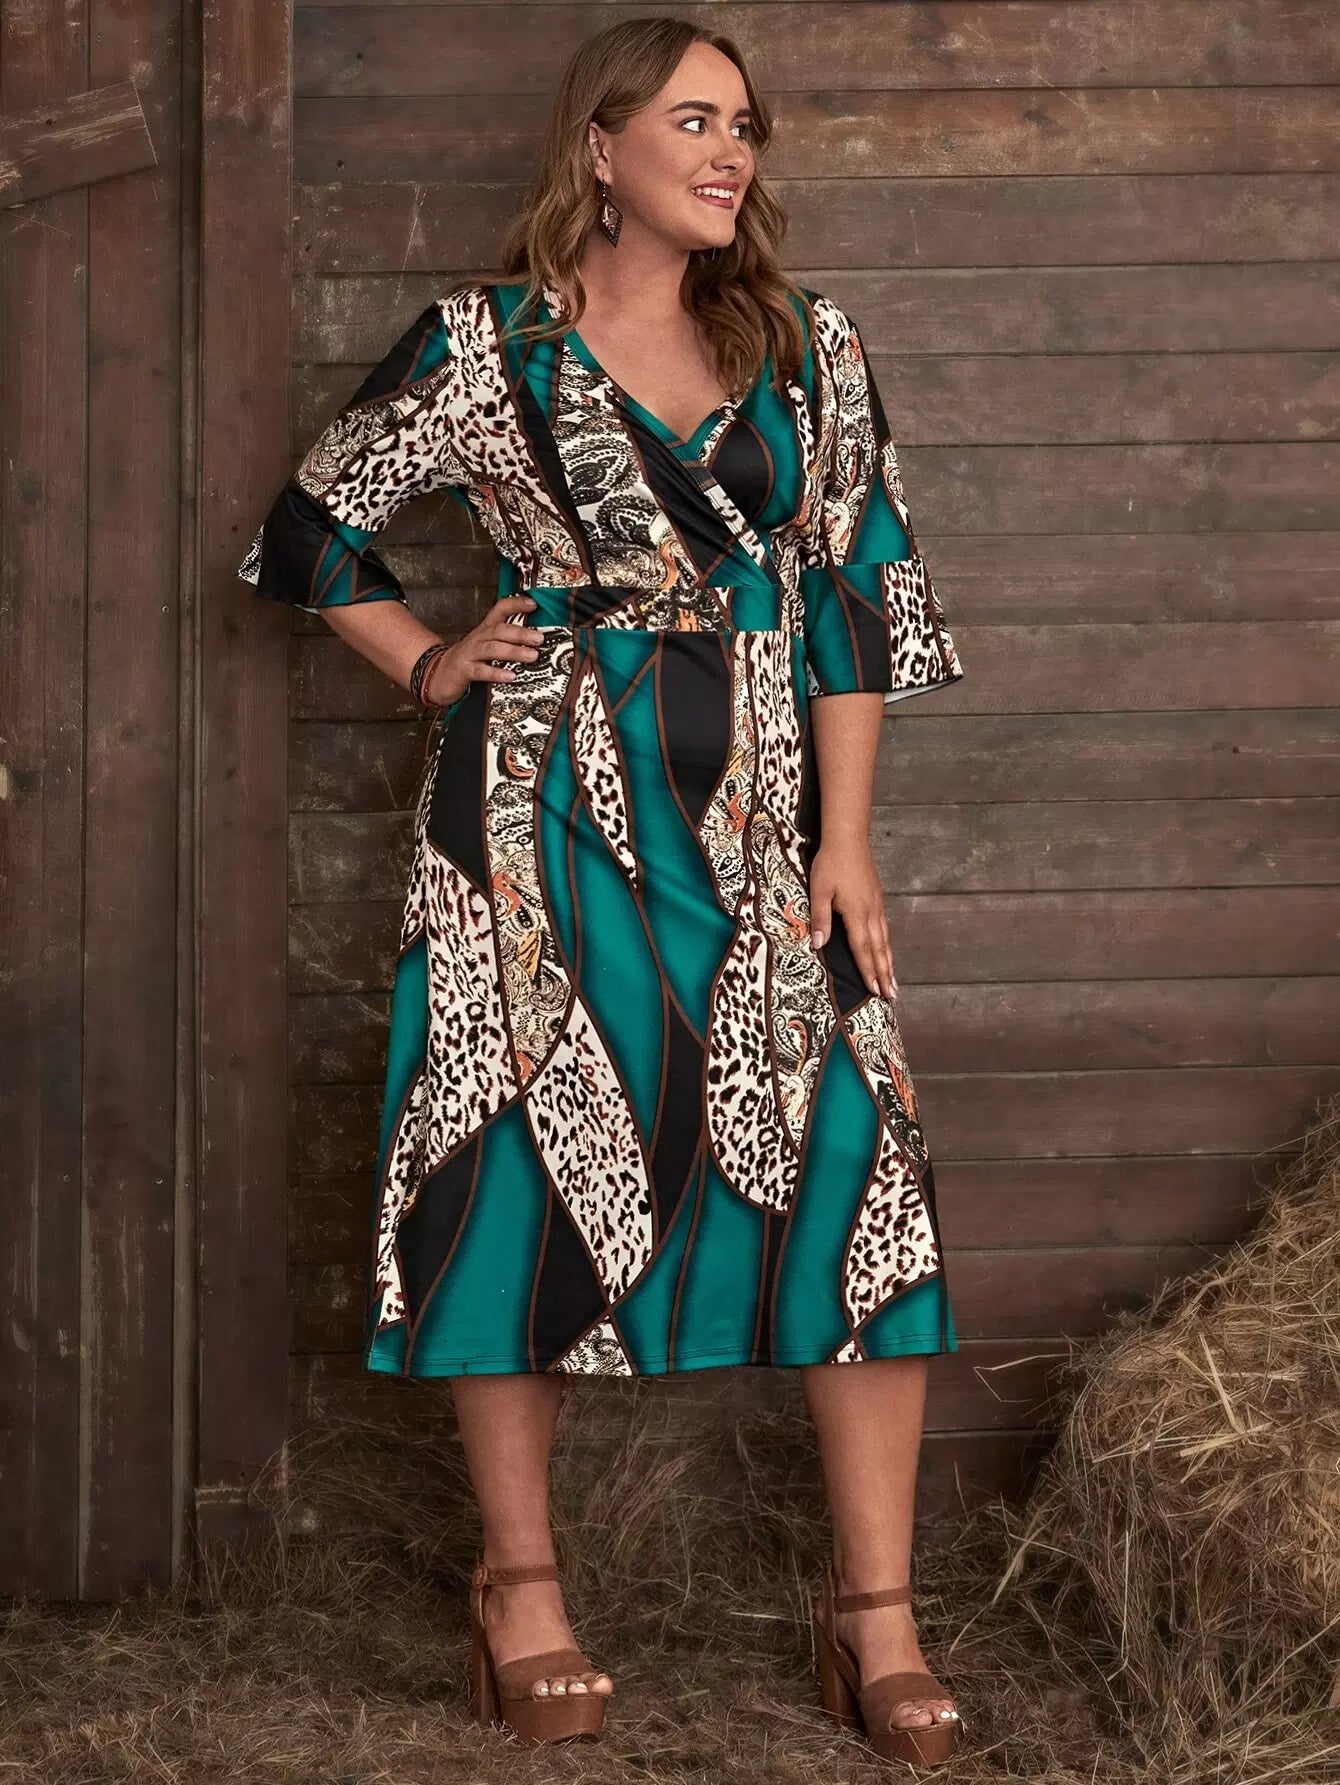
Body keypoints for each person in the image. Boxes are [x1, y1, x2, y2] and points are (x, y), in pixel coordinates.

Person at [239, 14, 966, 1765]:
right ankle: (523, 1590)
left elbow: (857, 589)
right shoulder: (485, 346)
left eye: (746, 126)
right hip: (540, 810)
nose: (732, 151)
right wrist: (430, 662)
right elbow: (309, 529)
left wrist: (847, 841)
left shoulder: (807, 345)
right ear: (601, 145)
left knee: (858, 1160)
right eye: (696, 120)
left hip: (769, 819)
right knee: (513, 1153)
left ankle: (874, 1612)